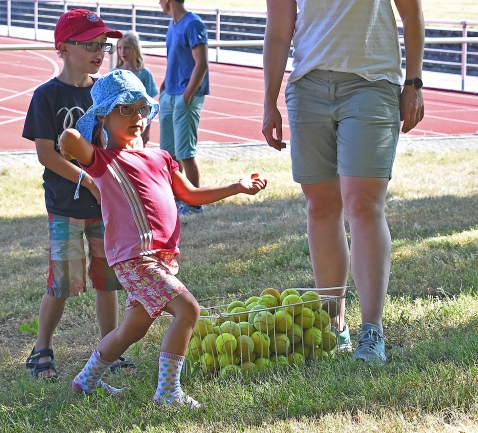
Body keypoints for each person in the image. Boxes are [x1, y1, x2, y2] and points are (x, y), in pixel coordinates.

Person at [59, 69, 267, 408]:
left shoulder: (160, 157)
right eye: (125, 109)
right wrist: (88, 134)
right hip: (134, 258)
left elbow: (192, 195)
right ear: (104, 116)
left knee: (133, 329)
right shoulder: (105, 162)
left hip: (161, 259)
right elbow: (68, 138)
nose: (137, 117)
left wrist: (237, 186)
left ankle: (86, 381)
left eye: (141, 108)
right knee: (187, 309)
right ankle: (168, 392)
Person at [262, 0, 425, 363]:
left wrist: (413, 83)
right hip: (308, 87)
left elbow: (411, 12)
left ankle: (372, 331)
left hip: (372, 83)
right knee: (321, 206)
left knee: (363, 204)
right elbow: (277, 31)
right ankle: (334, 327)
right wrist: (269, 101)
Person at [21, 9, 135, 379]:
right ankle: (42, 348)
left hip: (106, 208)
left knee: (107, 280)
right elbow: (46, 153)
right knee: (62, 284)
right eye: (89, 44)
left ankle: (109, 348)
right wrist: (88, 181)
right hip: (65, 206)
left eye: (102, 45)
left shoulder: (105, 91)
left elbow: (118, 138)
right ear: (63, 47)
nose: (99, 51)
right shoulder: (46, 96)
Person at [158, 0, 209, 215]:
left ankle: (195, 203)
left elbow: (202, 63)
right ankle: (177, 200)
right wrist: (164, 86)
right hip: (169, 94)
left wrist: (188, 94)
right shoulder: (172, 25)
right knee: (168, 155)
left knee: (185, 152)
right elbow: (175, 61)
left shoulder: (193, 24)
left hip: (186, 96)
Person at [113, 31, 159, 146]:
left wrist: (147, 129)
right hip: (118, 123)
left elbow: (148, 103)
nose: (122, 52)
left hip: (137, 121)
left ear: (135, 48)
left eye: (127, 48)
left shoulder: (144, 74)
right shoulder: (114, 74)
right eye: (119, 48)